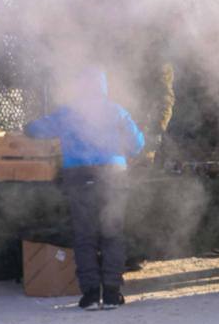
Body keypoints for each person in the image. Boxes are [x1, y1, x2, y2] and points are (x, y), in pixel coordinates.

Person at [26, 67, 145, 310]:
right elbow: (137, 144)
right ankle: (112, 293)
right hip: (113, 175)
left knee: (85, 236)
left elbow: (38, 129)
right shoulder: (116, 111)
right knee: (112, 234)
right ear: (103, 87)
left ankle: (91, 294)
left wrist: (27, 127)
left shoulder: (68, 113)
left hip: (79, 178)